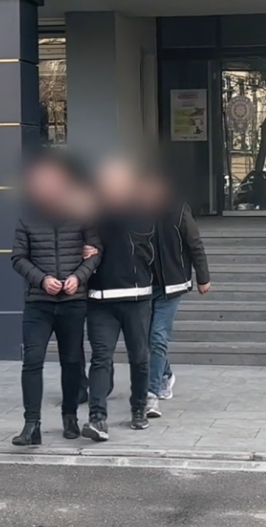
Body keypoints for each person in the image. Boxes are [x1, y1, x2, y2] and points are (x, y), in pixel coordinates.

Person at [10, 151, 102, 446]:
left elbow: (95, 252)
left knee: (72, 362)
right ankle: (31, 424)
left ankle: (70, 417)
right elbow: (18, 258)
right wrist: (42, 279)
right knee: (32, 361)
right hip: (38, 302)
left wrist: (78, 277)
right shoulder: (27, 217)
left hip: (73, 302)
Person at [82, 157, 155, 442]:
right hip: (100, 299)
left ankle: (138, 408)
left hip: (137, 297)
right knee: (101, 358)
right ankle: (97, 418)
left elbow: (148, 242)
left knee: (139, 357)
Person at [141, 165, 211, 418]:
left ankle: (150, 394)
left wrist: (203, 277)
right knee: (148, 337)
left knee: (158, 335)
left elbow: (195, 244)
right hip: (145, 284)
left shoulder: (179, 210)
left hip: (172, 284)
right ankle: (166, 374)